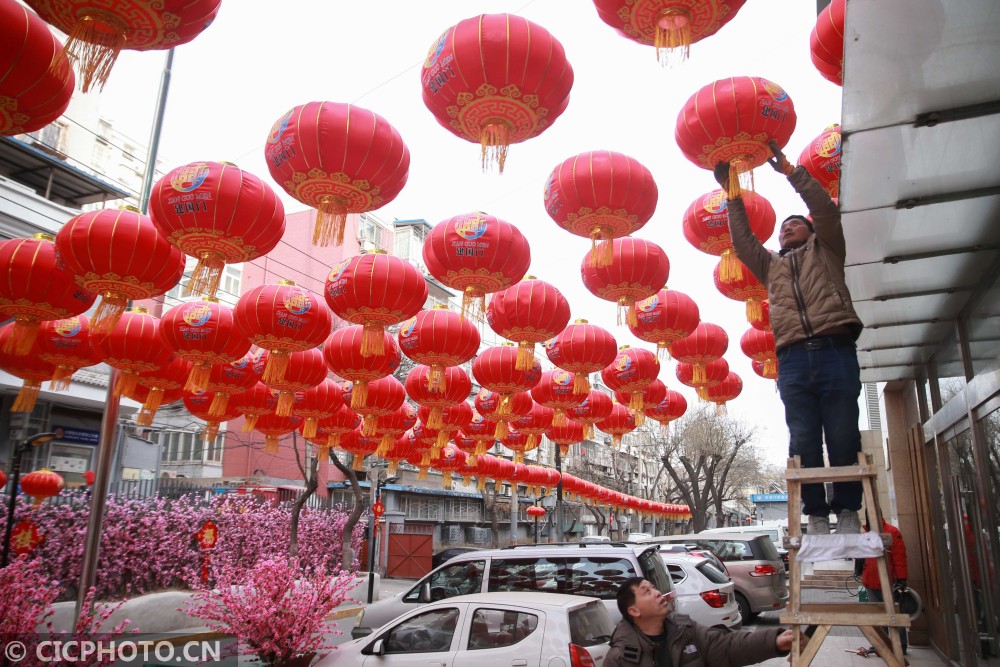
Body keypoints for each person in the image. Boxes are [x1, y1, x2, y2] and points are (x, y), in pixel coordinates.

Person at [715, 142, 864, 536]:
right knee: (803, 438)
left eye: (795, 223)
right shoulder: (770, 266)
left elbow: (825, 211)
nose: (787, 227)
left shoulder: (828, 248)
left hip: (835, 349)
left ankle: (847, 510)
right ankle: (816, 514)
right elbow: (744, 241)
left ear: (812, 232)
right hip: (794, 359)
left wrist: (790, 172)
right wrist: (732, 195)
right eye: (783, 226)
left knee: (843, 432)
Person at [605, 577, 793, 667]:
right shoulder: (620, 657)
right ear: (634, 611)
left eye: (654, 587)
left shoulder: (686, 632)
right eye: (647, 592)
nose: (657, 593)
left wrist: (775, 641)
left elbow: (729, 646)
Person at [857, 519, 909, 654]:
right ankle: (880, 645)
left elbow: (899, 557)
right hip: (871, 580)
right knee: (877, 615)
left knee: (894, 613)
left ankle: (901, 645)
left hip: (889, 581)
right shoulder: (867, 533)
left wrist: (901, 578)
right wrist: (859, 567)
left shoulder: (892, 532)